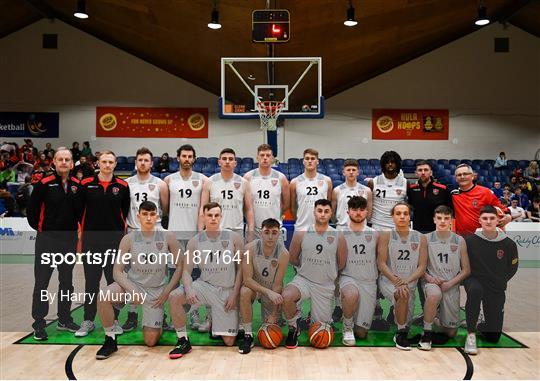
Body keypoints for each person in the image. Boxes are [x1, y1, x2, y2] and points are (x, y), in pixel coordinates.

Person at [95, 201, 182, 359]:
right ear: (138, 216)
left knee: (150, 341)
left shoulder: (168, 237)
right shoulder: (129, 239)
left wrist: (166, 292)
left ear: (157, 216)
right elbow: (117, 271)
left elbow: (179, 267)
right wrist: (132, 290)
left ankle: (158, 319)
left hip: (156, 291)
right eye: (145, 214)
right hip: (133, 286)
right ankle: (110, 340)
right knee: (103, 296)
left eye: (152, 214)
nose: (148, 218)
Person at [168, 202, 244, 358]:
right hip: (205, 287)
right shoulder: (195, 241)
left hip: (227, 290)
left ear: (221, 217)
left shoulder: (234, 238)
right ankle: (183, 340)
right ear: (203, 217)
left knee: (229, 341)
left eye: (217, 215)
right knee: (175, 296)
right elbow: (187, 272)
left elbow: (241, 269)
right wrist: (188, 289)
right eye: (210, 215)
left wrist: (234, 294)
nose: (213, 219)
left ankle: (215, 321)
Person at [26, 147, 83, 340]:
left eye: (67, 159)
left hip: (68, 241)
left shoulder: (77, 185)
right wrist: (44, 230)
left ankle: (64, 319)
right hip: (47, 241)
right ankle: (39, 323)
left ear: (72, 162)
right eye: (61, 159)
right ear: (54, 162)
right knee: (42, 283)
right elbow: (32, 211)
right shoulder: (43, 184)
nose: (64, 162)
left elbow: (79, 212)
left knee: (66, 282)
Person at [76, 151, 130, 337]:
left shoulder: (122, 186)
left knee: (113, 282)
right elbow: (79, 212)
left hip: (115, 243)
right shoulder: (85, 184)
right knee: (91, 282)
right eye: (104, 162)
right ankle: (88, 320)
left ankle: (114, 320)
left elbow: (124, 213)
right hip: (91, 242)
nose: (107, 165)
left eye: (110, 162)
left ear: (115, 164)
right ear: (97, 163)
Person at [282, 199, 347, 349]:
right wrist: (307, 268)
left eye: (326, 211)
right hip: (304, 280)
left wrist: (326, 272)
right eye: (320, 211)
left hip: (325, 285)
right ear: (314, 212)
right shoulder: (301, 233)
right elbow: (293, 258)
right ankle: (293, 327)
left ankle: (312, 318)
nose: (323, 214)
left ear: (331, 213)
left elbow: (341, 263)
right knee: (287, 296)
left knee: (321, 330)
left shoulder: (338, 235)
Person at [121, 147, 169, 331]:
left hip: (156, 235)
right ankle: (132, 314)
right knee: (133, 275)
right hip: (134, 233)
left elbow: (165, 209)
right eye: (140, 160)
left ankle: (160, 313)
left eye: (146, 160)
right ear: (135, 162)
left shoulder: (160, 184)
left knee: (159, 274)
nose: (143, 163)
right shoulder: (127, 184)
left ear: (151, 163)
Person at [164, 144, 208, 332]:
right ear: (178, 158)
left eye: (190, 156)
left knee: (195, 278)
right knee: (173, 278)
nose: (187, 159)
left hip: (194, 236)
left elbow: (203, 209)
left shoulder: (203, 180)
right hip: (174, 237)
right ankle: (175, 317)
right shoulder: (168, 180)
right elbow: (165, 208)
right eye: (184, 156)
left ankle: (195, 315)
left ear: (194, 159)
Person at [463, 205, 519, 355]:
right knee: (476, 291)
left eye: (492, 218)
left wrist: (501, 280)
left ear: (498, 220)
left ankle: (481, 323)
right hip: (474, 281)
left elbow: (512, 268)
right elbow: (464, 266)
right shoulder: (469, 241)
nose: (488, 221)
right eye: (485, 218)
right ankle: (470, 335)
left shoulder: (508, 244)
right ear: (479, 220)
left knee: (493, 336)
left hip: (496, 286)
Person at [377, 202, 428, 350]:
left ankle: (397, 318)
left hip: (409, 282)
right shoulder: (386, 235)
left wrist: (407, 280)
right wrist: (397, 281)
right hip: (389, 281)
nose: (402, 216)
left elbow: (422, 266)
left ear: (409, 216)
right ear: (392, 217)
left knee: (406, 316)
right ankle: (400, 334)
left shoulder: (420, 237)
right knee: (402, 294)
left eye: (405, 213)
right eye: (398, 213)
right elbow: (381, 263)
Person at [419, 205, 470, 350]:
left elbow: (466, 270)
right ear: (434, 219)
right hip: (432, 281)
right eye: (439, 218)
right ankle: (427, 332)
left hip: (451, 284)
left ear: (451, 221)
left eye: (446, 218)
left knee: (451, 332)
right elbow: (419, 266)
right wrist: (429, 278)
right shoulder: (425, 238)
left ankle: (434, 316)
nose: (442, 221)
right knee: (434, 294)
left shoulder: (459, 240)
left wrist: (450, 283)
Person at [238, 218, 289, 354]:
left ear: (279, 234)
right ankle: (248, 335)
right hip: (255, 287)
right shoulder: (249, 248)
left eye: (274, 232)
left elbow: (278, 285)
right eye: (267, 232)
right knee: (244, 291)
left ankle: (279, 316)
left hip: (272, 289)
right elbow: (247, 280)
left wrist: (274, 314)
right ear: (261, 233)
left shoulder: (284, 254)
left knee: (270, 327)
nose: (270, 236)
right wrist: (267, 292)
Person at [339, 196, 378, 345]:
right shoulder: (339, 232)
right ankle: (347, 327)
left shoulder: (375, 233)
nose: (358, 213)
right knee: (351, 293)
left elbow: (379, 260)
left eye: (362, 210)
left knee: (362, 333)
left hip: (368, 281)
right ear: (348, 212)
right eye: (354, 209)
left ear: (367, 212)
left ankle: (352, 317)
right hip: (348, 277)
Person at [200, 148, 254, 238]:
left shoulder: (244, 183)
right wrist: (200, 231)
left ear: (235, 163)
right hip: (214, 230)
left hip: (237, 230)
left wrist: (250, 233)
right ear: (219, 162)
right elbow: (203, 209)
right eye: (224, 159)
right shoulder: (209, 182)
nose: (227, 161)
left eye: (230, 159)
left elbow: (249, 210)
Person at [243, 144, 290, 237]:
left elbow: (286, 204)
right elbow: (244, 204)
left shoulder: (281, 178)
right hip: (254, 229)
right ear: (257, 157)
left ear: (272, 158)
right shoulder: (248, 177)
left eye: (268, 155)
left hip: (275, 229)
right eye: (262, 155)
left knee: (277, 252)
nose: (265, 158)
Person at [451, 164, 511, 236]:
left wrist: (508, 216)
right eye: (459, 175)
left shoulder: (485, 192)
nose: (462, 177)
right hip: (462, 238)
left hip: (482, 238)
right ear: (456, 178)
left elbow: (502, 208)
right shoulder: (453, 195)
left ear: (472, 176)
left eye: (465, 174)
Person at [290, 148, 333, 231]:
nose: (310, 161)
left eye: (313, 159)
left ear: (317, 161)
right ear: (303, 161)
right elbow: (293, 207)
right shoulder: (295, 182)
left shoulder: (327, 181)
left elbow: (328, 203)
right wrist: (298, 219)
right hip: (301, 227)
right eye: (307, 158)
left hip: (322, 228)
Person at [407, 160, 452, 233]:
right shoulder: (411, 189)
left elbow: (451, 211)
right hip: (417, 231)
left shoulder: (443, 189)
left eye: (426, 170)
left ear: (431, 172)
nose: (423, 172)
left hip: (438, 231)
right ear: (416, 173)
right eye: (420, 170)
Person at [368, 151, 407, 230]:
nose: (390, 164)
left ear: (397, 164)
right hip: (377, 225)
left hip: (397, 225)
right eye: (387, 162)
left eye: (393, 162)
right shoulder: (373, 182)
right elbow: (368, 204)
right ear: (383, 164)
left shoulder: (405, 182)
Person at [332, 159, 372, 229]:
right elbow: (332, 212)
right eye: (348, 170)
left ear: (358, 172)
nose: (351, 172)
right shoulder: (336, 190)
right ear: (343, 172)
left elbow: (369, 213)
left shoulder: (367, 190)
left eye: (353, 170)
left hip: (361, 227)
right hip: (342, 227)